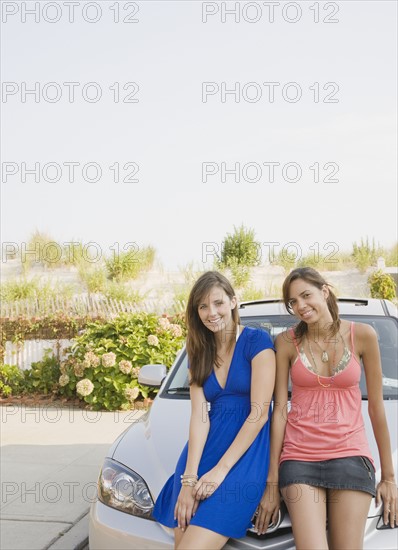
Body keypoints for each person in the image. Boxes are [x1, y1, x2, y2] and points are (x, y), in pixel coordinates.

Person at [255, 267, 397, 549]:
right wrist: (271, 482)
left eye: (306, 295)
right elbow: (279, 411)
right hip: (299, 459)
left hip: (351, 456)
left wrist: (389, 477)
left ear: (325, 291)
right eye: (293, 302)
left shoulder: (363, 336)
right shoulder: (285, 343)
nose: (300, 306)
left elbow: (376, 409)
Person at [153, 271, 276, 549]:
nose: (212, 313)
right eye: (203, 306)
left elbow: (258, 414)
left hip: (243, 457)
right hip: (203, 453)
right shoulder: (198, 349)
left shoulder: (258, 342)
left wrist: (220, 471)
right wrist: (188, 480)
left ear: (233, 302)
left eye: (218, 303)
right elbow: (199, 416)